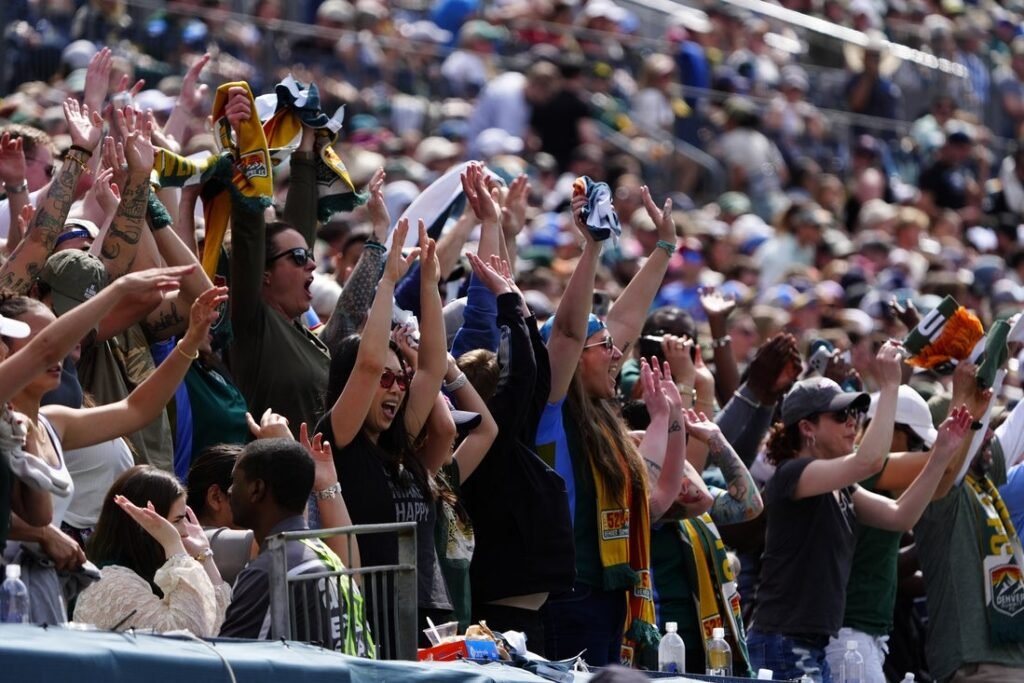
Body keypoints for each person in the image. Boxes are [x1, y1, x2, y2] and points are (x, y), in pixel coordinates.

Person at [536, 186, 710, 667]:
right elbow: (569, 332)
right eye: (605, 347)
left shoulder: (606, 424)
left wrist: (665, 247)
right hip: (567, 594)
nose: (618, 354)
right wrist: (592, 247)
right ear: (573, 357)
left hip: (612, 594)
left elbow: (659, 499)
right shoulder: (550, 410)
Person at [747, 343, 973, 682]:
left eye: (854, 413)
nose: (852, 422)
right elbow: (869, 461)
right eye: (840, 415)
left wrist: (940, 456)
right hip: (783, 641)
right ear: (807, 428)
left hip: (809, 642)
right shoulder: (792, 474)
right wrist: (891, 386)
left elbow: (900, 516)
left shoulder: (842, 487)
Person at [318, 217, 452, 646]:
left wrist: (429, 283)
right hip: (375, 620)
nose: (396, 387)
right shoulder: (340, 440)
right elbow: (369, 363)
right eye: (385, 380)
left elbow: (432, 369)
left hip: (429, 618)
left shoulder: (399, 441)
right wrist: (388, 281)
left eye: (400, 379)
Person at [914, 363, 1024, 682]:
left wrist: (1001, 356)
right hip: (977, 663)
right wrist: (962, 395)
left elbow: (1018, 423)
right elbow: (951, 463)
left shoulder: (986, 477)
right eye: (979, 424)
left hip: (1010, 656)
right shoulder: (942, 493)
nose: (990, 434)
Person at [219, 437, 373, 657]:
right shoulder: (327, 557)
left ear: (257, 489)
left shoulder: (270, 572)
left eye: (235, 481)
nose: (229, 491)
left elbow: (229, 662)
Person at [73, 466, 230, 634]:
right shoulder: (111, 583)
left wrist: (204, 554)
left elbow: (223, 625)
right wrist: (173, 545)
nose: (185, 531)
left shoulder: (149, 573)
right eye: (177, 521)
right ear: (143, 527)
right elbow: (187, 634)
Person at [186, 443, 254, 585]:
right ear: (216, 497)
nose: (262, 503)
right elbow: (279, 542)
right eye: (254, 493)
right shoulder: (199, 540)